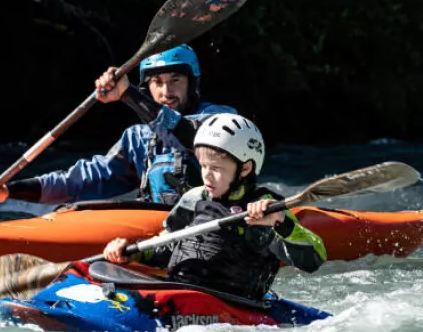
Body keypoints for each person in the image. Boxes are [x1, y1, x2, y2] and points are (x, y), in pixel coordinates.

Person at [0, 44, 236, 207]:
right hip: (161, 233)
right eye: (157, 82)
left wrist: (129, 95)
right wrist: (12, 190)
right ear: (148, 87)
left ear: (193, 84)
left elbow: (191, 136)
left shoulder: (220, 119)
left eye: (175, 80)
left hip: (210, 228)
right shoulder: (137, 139)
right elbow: (80, 181)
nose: (166, 91)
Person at [102, 113, 327, 301]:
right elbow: (167, 246)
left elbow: (313, 259)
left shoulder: (268, 208)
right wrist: (133, 253)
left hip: (232, 305)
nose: (207, 175)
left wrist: (281, 222)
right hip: (181, 293)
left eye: (217, 168)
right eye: (203, 166)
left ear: (245, 169)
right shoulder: (195, 198)